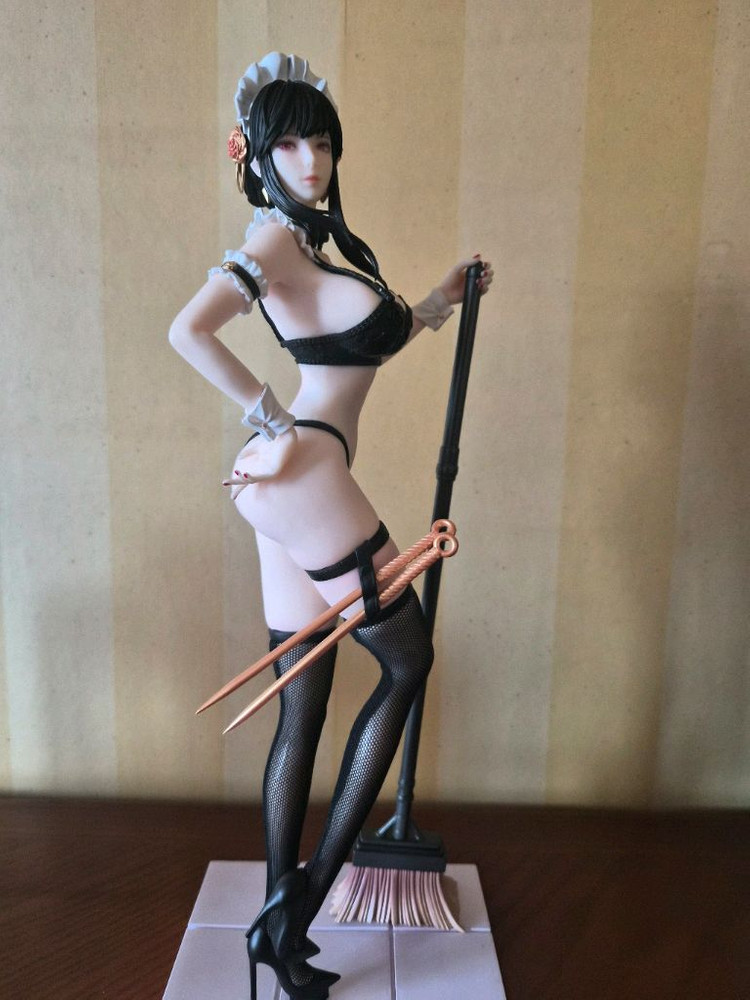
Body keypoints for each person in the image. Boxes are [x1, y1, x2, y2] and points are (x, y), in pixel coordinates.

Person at [169, 52, 493, 1000]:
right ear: (257, 156)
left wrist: (440, 300)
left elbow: (368, 346)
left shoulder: (313, 252)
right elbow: (189, 330)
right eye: (288, 144)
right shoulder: (273, 242)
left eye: (323, 141)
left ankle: (280, 927)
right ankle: (299, 904)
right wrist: (270, 415)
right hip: (303, 465)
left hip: (290, 475)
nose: (311, 161)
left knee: (303, 701)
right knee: (407, 659)